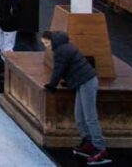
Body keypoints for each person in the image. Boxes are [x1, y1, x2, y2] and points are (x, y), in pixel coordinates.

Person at [42, 31, 109, 165]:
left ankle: (100, 148)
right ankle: (88, 141)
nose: (46, 46)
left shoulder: (61, 50)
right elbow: (69, 67)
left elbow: (59, 69)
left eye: (47, 43)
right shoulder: (63, 47)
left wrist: (51, 85)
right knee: (79, 115)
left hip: (87, 82)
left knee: (90, 116)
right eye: (44, 44)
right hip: (80, 82)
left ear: (53, 40)